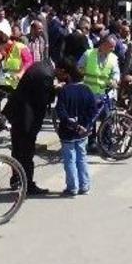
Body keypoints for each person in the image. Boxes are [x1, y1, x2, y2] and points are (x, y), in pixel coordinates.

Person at [3, 60, 53, 196]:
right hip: (26, 120)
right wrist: (54, 91)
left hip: (16, 113)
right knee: (26, 152)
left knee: (17, 149)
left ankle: (16, 179)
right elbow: (43, 101)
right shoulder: (46, 75)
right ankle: (28, 184)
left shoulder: (38, 66)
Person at [54, 59, 97, 197]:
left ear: (69, 76)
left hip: (68, 131)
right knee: (82, 158)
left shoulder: (64, 91)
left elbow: (60, 111)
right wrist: (85, 125)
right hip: (82, 132)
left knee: (70, 160)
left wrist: (70, 122)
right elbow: (93, 110)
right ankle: (84, 185)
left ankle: (72, 187)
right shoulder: (87, 90)